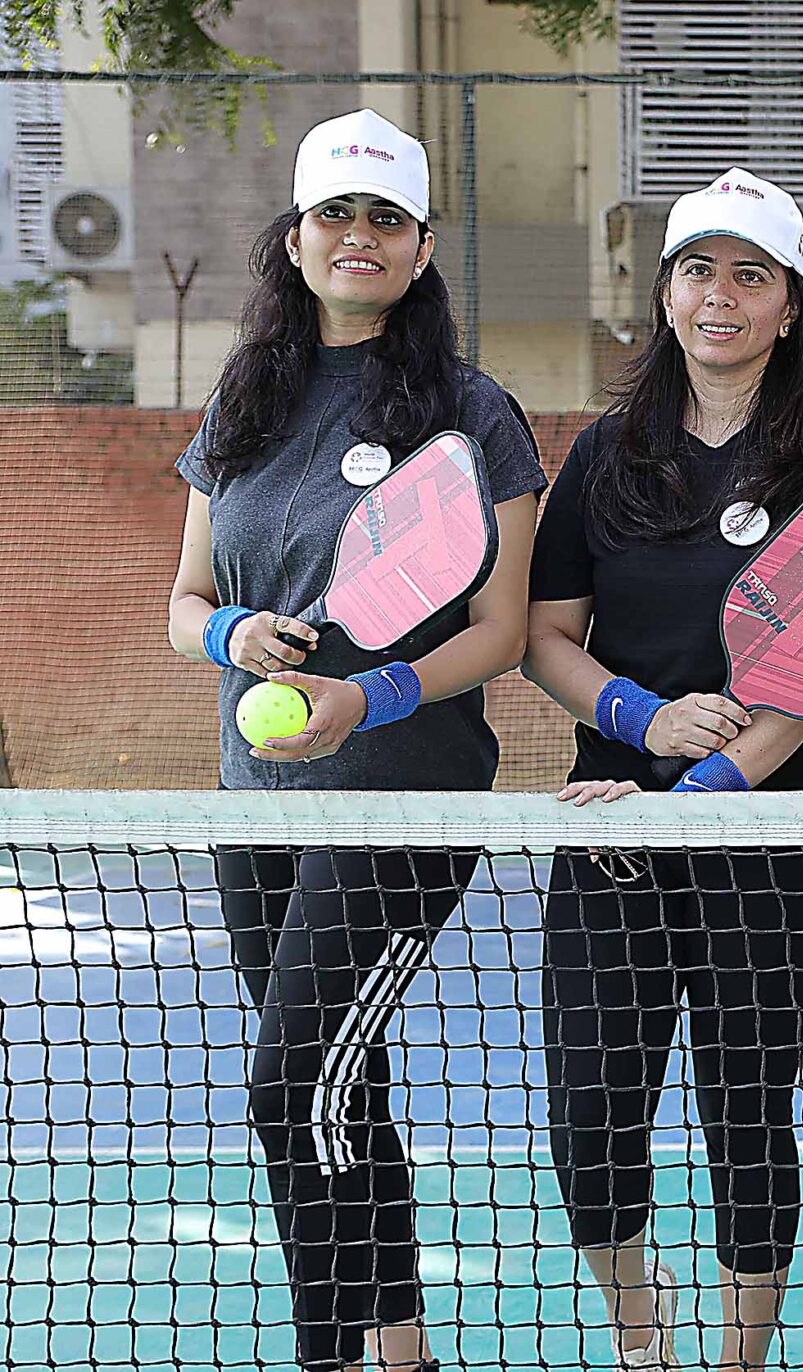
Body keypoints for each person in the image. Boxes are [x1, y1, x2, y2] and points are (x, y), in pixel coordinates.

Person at [165, 109, 544, 1372]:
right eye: (337, 212)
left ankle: (334, 1353)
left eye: (386, 217)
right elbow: (183, 608)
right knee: (336, 1086)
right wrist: (238, 643)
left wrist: (367, 696)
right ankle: (395, 1352)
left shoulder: (472, 412)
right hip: (253, 798)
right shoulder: (244, 398)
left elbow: (498, 630)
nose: (359, 236)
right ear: (297, 234)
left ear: (424, 246)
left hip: (402, 798)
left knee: (288, 1085)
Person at [522, 167, 803, 1372]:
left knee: (745, 1107)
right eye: (698, 269)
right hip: (611, 817)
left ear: (789, 306)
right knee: (591, 1114)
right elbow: (543, 637)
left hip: (772, 833)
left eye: (750, 274)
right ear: (664, 293)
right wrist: (638, 718)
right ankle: (643, 1335)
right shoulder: (602, 456)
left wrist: (711, 786)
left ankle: (738, 1358)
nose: (719, 295)